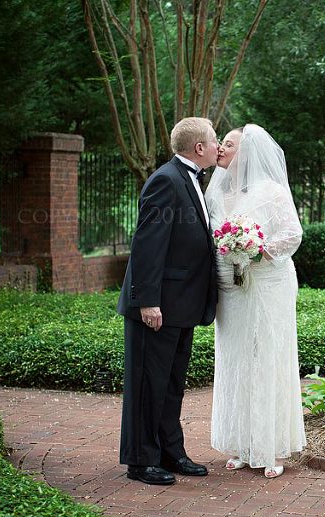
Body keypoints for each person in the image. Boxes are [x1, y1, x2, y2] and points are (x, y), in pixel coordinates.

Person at [117, 117, 219, 485]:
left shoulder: (190, 179)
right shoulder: (165, 180)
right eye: (214, 139)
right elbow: (147, 244)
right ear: (198, 148)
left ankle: (170, 452)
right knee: (148, 383)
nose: (218, 144)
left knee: (171, 383)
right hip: (156, 306)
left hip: (182, 305)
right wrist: (147, 301)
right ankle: (141, 461)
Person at [205, 124, 306, 478]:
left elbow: (292, 234)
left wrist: (257, 251)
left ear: (245, 153)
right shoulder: (216, 193)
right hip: (230, 290)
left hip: (266, 285)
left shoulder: (272, 192)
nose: (220, 148)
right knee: (234, 361)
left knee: (265, 358)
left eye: (228, 144)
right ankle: (240, 444)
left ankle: (269, 447)